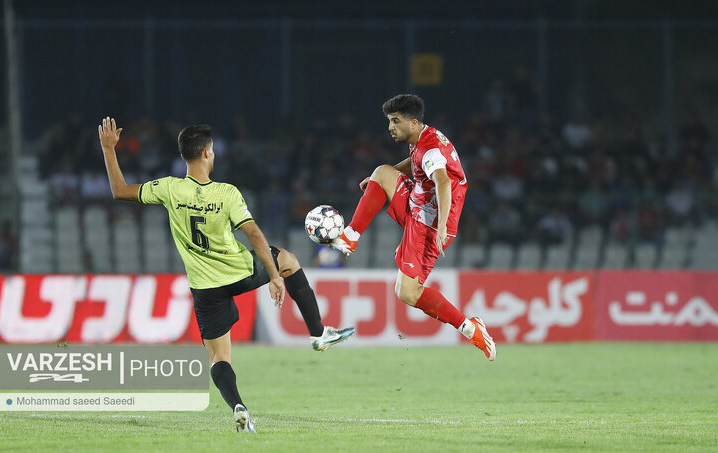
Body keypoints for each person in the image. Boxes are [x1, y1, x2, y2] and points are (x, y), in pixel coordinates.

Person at [99, 118, 355, 432]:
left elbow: (120, 191)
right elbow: (255, 235)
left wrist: (109, 149)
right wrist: (275, 276)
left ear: (185, 155)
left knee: (220, 358)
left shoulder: (168, 187)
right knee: (288, 259)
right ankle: (318, 333)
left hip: (205, 288)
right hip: (240, 272)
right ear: (208, 153)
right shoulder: (227, 193)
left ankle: (238, 406)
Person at [330, 94, 496, 361]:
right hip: (418, 205)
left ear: (414, 122)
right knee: (383, 171)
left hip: (429, 225)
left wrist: (441, 228)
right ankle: (349, 236)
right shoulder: (423, 140)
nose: (390, 127)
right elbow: (416, 162)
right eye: (389, 121)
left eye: (395, 121)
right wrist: (379, 179)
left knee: (406, 293)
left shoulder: (430, 149)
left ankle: (469, 327)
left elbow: (442, 182)